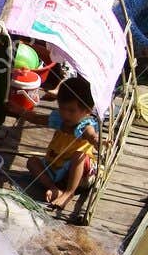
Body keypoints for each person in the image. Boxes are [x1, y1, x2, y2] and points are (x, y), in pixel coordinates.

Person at [27, 76, 99, 208]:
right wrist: (19, 111)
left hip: (82, 176)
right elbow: (38, 118)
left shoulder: (85, 124)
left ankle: (68, 193)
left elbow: (91, 135)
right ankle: (54, 188)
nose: (66, 114)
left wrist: (97, 141)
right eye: (62, 108)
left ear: (87, 111)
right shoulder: (59, 118)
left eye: (71, 111)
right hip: (57, 170)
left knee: (79, 155)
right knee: (32, 162)